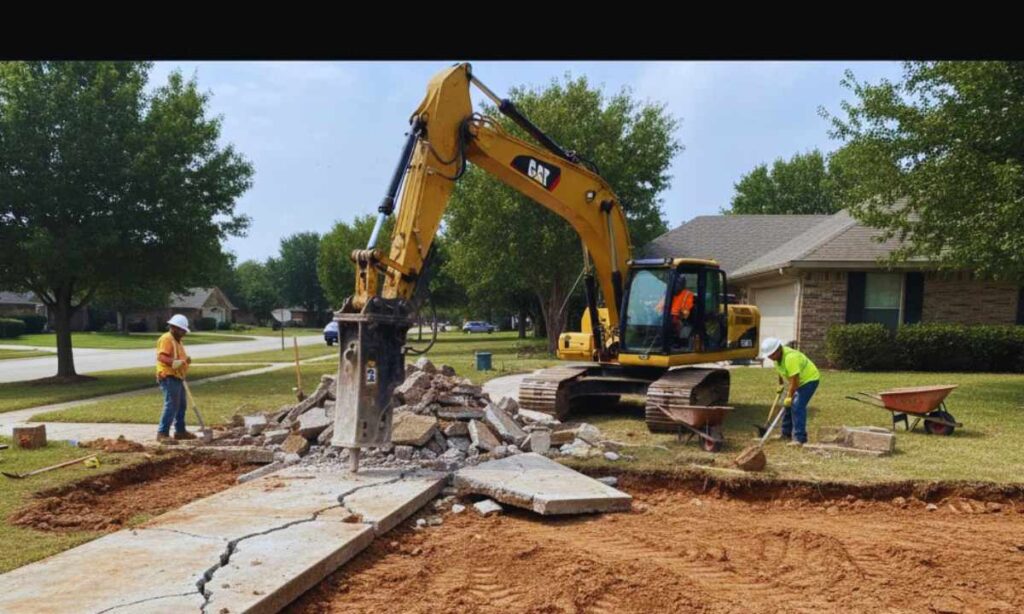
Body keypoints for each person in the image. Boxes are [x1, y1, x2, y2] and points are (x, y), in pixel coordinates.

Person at [759, 337, 820, 446]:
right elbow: (781, 370)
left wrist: (789, 396)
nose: (770, 358)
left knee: (797, 406)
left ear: (778, 350)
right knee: (787, 406)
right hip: (797, 381)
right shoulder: (777, 359)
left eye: (771, 355)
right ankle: (785, 434)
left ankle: (799, 438)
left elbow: (795, 382)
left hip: (809, 380)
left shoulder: (790, 358)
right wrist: (781, 384)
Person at [156, 314, 195, 442]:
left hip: (178, 376)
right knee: (172, 404)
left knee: (181, 405)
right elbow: (162, 357)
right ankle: (162, 433)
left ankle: (180, 431)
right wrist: (174, 362)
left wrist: (185, 360)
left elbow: (179, 357)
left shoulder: (177, 340)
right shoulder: (167, 339)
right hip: (168, 376)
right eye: (182, 330)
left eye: (184, 330)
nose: (184, 333)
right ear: (174, 328)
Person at [657, 274, 696, 347]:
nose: (676, 285)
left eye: (678, 283)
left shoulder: (688, 295)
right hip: (666, 320)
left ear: (683, 284)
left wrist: (677, 317)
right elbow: (658, 309)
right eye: (674, 283)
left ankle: (678, 343)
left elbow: (685, 314)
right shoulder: (667, 293)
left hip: (682, 321)